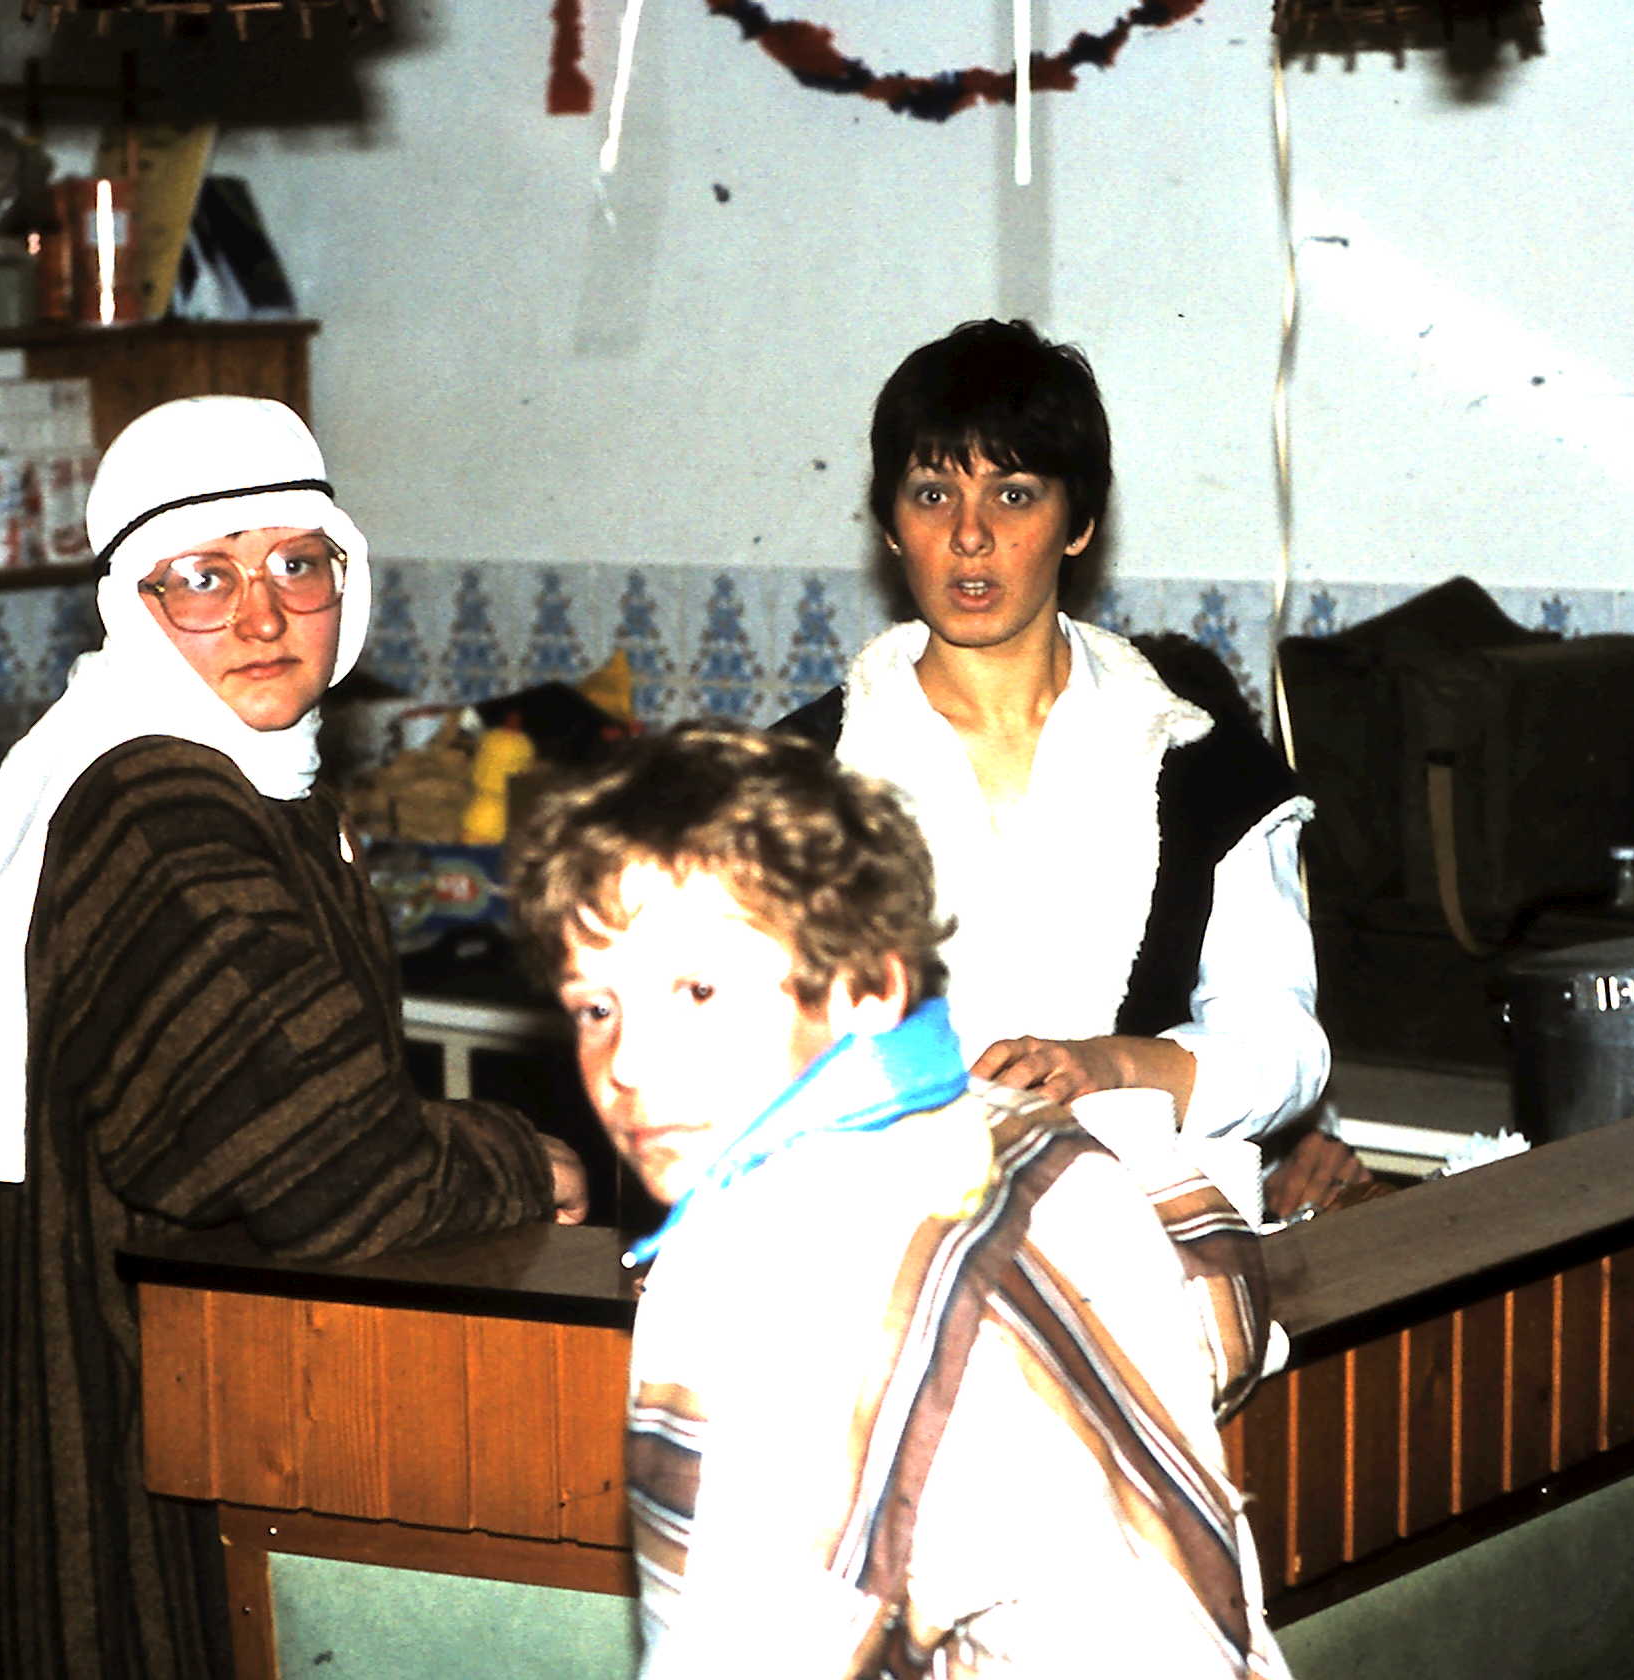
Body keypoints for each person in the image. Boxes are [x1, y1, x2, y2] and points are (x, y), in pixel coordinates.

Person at [0, 396, 589, 1679]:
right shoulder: (164, 810)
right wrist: (518, 1158)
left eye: (296, 565)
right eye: (205, 578)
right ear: (133, 605)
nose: (265, 617)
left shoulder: (258, 781)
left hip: (194, 1374)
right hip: (132, 1400)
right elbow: (330, 1173)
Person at [508, 723, 1293, 1678]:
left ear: (866, 988)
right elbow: (1223, 1314)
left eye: (699, 988)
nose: (628, 1063)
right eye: (597, 1006)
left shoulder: (759, 1276)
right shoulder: (1035, 1137)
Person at [779, 318, 1370, 1222]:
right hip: (876, 1253)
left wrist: (1113, 1065)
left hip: (1146, 1250)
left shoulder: (1206, 769)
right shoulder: (792, 779)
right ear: (891, 526)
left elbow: (1285, 1048)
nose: (970, 536)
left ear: (1080, 523)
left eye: (1014, 495)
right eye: (933, 494)